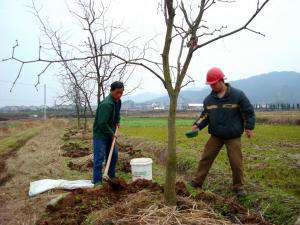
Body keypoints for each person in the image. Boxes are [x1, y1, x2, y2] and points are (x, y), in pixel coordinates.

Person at [190, 67, 255, 196]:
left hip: (233, 135)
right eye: (210, 85)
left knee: (236, 162)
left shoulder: (237, 95)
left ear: (221, 80)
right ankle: (197, 182)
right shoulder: (209, 100)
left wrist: (249, 127)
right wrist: (197, 125)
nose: (212, 87)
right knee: (206, 158)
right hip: (216, 135)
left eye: (213, 84)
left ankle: (238, 186)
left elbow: (248, 112)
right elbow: (205, 115)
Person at [92, 81, 124, 185]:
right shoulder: (106, 104)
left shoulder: (118, 101)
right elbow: (102, 123)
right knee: (99, 158)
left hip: (110, 132)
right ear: (111, 91)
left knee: (113, 155)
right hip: (101, 134)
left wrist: (117, 122)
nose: (119, 95)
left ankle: (110, 177)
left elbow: (117, 114)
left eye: (121, 92)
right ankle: (97, 182)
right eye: (117, 92)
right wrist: (112, 133)